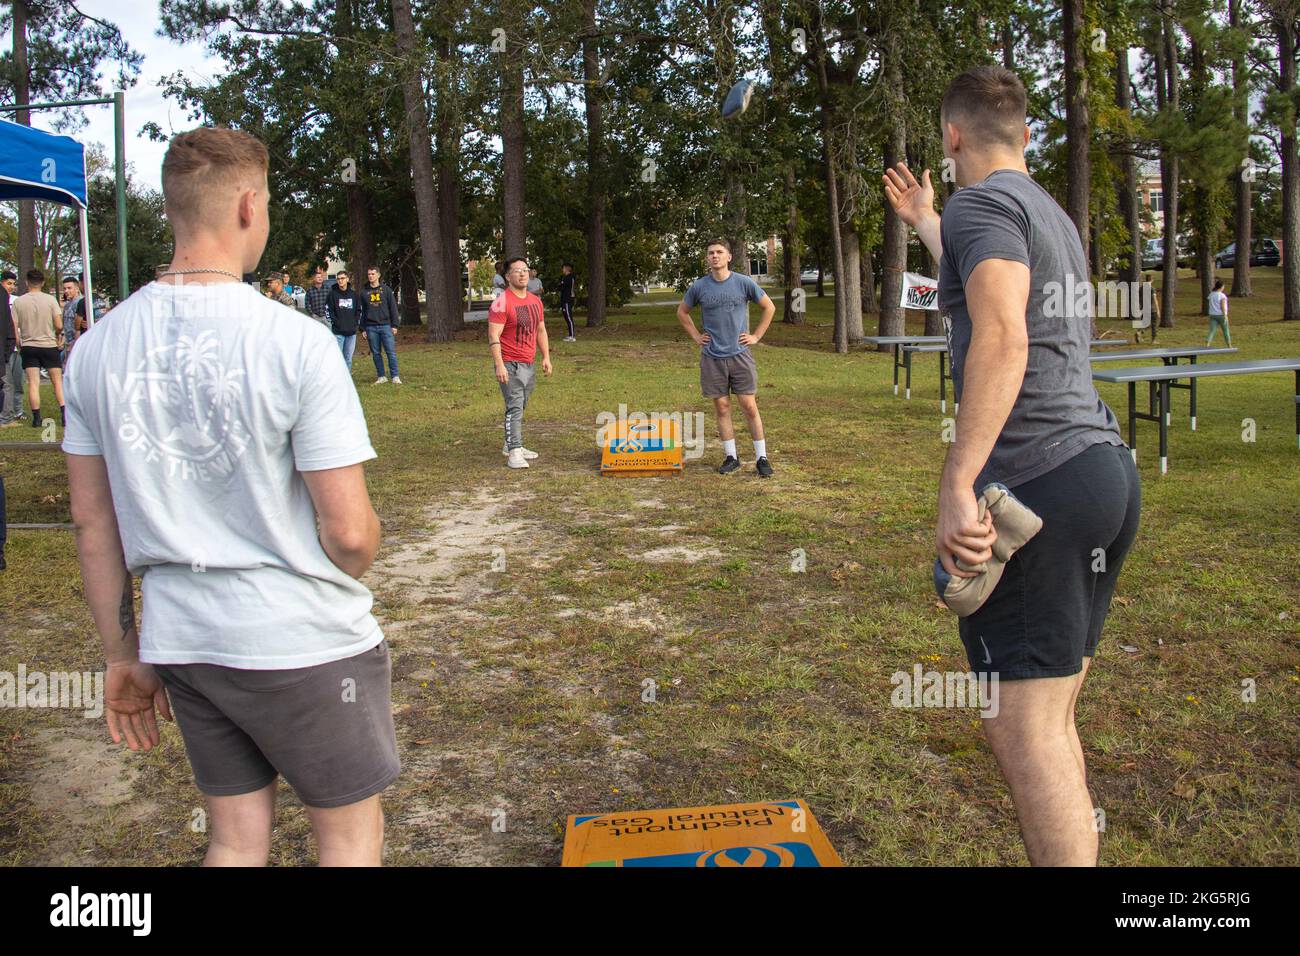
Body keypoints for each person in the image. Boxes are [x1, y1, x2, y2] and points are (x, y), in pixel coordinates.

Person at [63, 125, 397, 866]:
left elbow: (92, 521)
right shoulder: (297, 342)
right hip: (303, 639)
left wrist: (121, 655)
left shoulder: (94, 349)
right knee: (348, 838)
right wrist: (350, 560)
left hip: (184, 640)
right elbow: (349, 533)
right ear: (249, 205)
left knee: (235, 841)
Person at [883, 65, 1141, 866]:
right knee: (1050, 719)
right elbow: (988, 284)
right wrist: (927, 220)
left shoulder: (983, 204)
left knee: (1026, 730)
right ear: (1025, 135)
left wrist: (957, 482)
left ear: (952, 136)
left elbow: (1001, 335)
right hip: (1100, 473)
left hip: (1037, 485)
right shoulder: (1044, 211)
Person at [676, 239, 776, 477]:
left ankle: (762, 458)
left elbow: (769, 307)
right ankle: (731, 457)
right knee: (722, 407)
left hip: (740, 355)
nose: (715, 256)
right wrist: (696, 336)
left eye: (719, 252)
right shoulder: (700, 286)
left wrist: (756, 336)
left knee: (749, 406)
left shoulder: (743, 282)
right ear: (707, 258)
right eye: (711, 253)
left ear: (729, 257)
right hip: (712, 357)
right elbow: (682, 312)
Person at [489, 256, 552, 468]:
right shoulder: (501, 303)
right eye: (517, 270)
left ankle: (510, 443)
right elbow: (493, 336)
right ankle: (514, 451)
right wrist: (499, 364)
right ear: (508, 276)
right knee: (515, 406)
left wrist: (546, 356)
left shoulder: (535, 301)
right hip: (509, 362)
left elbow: (540, 330)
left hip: (528, 362)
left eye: (525, 269)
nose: (523, 273)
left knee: (521, 404)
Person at [12, 268, 65, 428]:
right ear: (42, 282)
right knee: (57, 382)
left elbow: (14, 327)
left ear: (26, 282)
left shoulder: (18, 302)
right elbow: (59, 325)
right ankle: (64, 415)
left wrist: (19, 344)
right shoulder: (50, 300)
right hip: (49, 345)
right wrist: (58, 336)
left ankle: (36, 418)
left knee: (33, 383)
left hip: (29, 345)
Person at [361, 266, 401, 384]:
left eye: (373, 274)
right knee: (376, 353)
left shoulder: (386, 290)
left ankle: (395, 376)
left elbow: (393, 308)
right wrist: (362, 328)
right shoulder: (364, 292)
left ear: (378, 275)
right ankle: (381, 376)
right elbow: (362, 311)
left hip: (385, 326)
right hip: (370, 327)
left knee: (390, 352)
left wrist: (394, 325)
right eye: (369, 274)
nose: (370, 276)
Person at [327, 269, 362, 370]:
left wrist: (355, 323)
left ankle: (347, 377)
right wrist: (336, 323)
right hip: (338, 332)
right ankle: (337, 377)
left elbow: (358, 310)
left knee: (348, 358)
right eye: (338, 279)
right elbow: (329, 311)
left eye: (342, 278)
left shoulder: (354, 295)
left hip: (351, 333)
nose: (340, 281)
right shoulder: (332, 295)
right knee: (338, 358)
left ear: (347, 279)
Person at [0, 270, 21, 427]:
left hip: (8, 348)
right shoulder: (3, 296)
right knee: (7, 383)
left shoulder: (12, 299)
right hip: (4, 348)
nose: (12, 287)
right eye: (9, 283)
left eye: (14, 284)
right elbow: (8, 325)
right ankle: (6, 417)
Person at [61, 276, 83, 363]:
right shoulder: (67, 305)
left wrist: (74, 343)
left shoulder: (81, 303)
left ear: (77, 288)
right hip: (67, 343)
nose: (66, 291)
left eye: (69, 288)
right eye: (65, 288)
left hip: (77, 344)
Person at [1206, 278, 1231, 347]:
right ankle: (1229, 345)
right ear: (1221, 287)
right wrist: (1225, 316)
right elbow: (1223, 306)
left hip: (1212, 315)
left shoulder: (1211, 294)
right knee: (1225, 330)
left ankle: (1208, 342)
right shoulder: (1222, 295)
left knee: (1212, 330)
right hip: (1220, 315)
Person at [557, 263, 576, 342]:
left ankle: (572, 336)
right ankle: (570, 335)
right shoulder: (565, 278)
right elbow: (560, 287)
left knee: (569, 318)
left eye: (563, 268)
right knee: (567, 317)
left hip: (568, 300)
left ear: (567, 269)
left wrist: (561, 284)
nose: (562, 270)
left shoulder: (570, 277)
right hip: (565, 300)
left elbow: (561, 287)